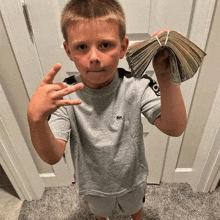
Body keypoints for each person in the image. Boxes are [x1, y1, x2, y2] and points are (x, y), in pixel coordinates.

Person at [27, 0, 187, 219]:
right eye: (82, 47)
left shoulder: (137, 85)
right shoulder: (65, 95)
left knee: (135, 209)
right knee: (101, 213)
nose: (93, 57)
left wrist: (165, 75)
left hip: (132, 179)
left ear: (122, 48)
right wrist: (36, 119)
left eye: (105, 45)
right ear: (68, 50)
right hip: (94, 185)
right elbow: (53, 156)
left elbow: (175, 127)